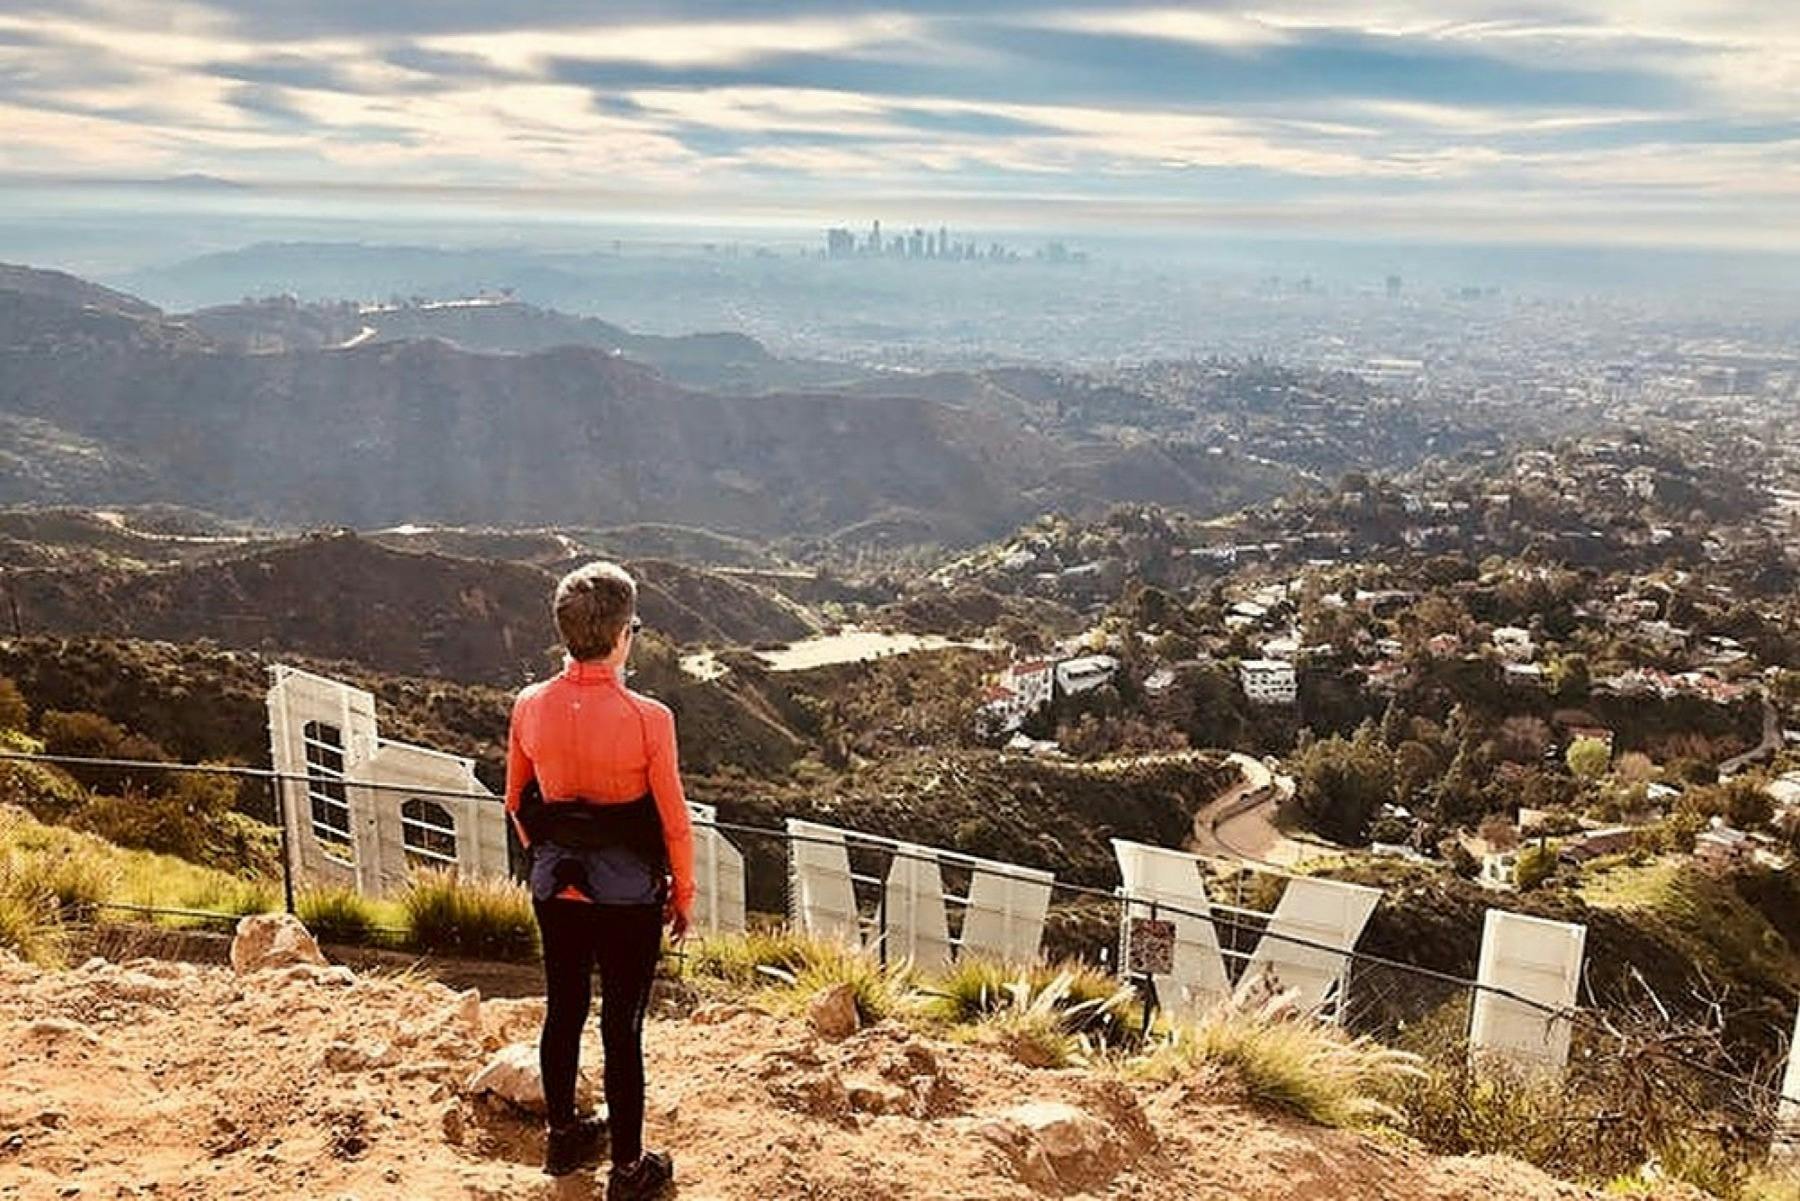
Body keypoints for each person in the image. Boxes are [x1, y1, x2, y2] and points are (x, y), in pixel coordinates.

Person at [505, 561, 693, 1196]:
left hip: (555, 886)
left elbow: (516, 801)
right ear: (622, 636)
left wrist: (552, 856)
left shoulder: (529, 705)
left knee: (562, 1008)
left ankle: (563, 1140)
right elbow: (674, 823)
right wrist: (683, 895)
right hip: (628, 897)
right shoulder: (650, 718)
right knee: (622, 1026)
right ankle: (628, 1170)